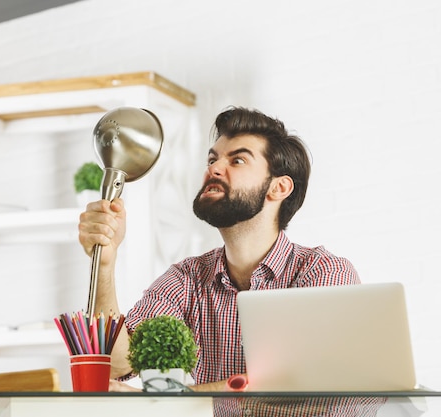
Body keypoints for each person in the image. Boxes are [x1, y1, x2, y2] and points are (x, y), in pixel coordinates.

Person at [78, 106, 362, 392]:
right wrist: (105, 263)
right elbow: (118, 363)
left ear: (279, 188)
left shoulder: (322, 272)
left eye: (237, 160)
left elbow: (305, 387)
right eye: (212, 159)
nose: (213, 168)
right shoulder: (186, 278)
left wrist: (176, 398)